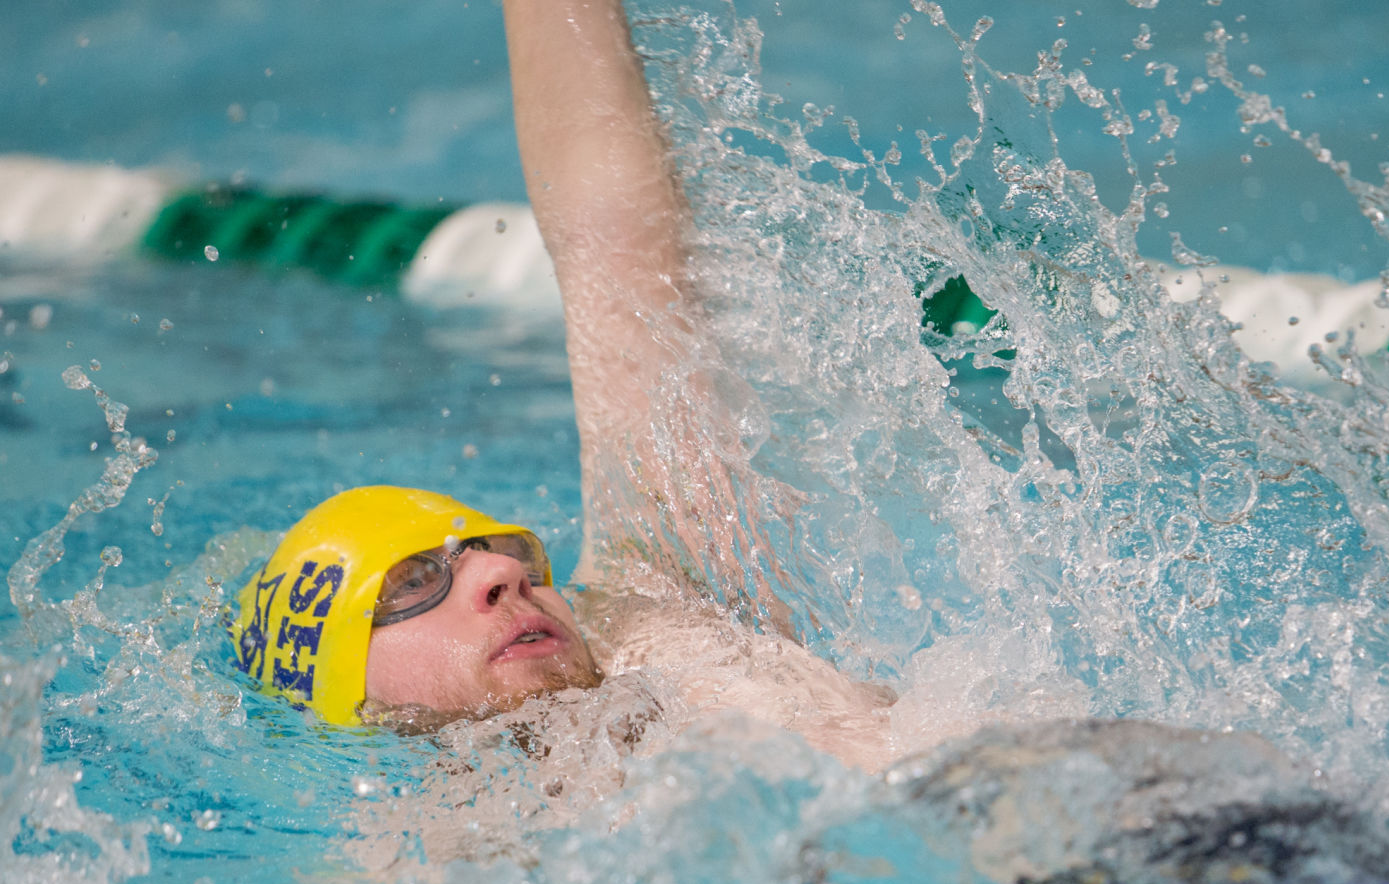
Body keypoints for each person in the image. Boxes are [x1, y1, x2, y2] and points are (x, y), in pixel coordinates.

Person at [232, 0, 904, 769]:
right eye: (414, 582)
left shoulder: (658, 613)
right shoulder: (419, 869)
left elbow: (618, 251)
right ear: (345, 691)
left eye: (508, 551)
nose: (502, 573)